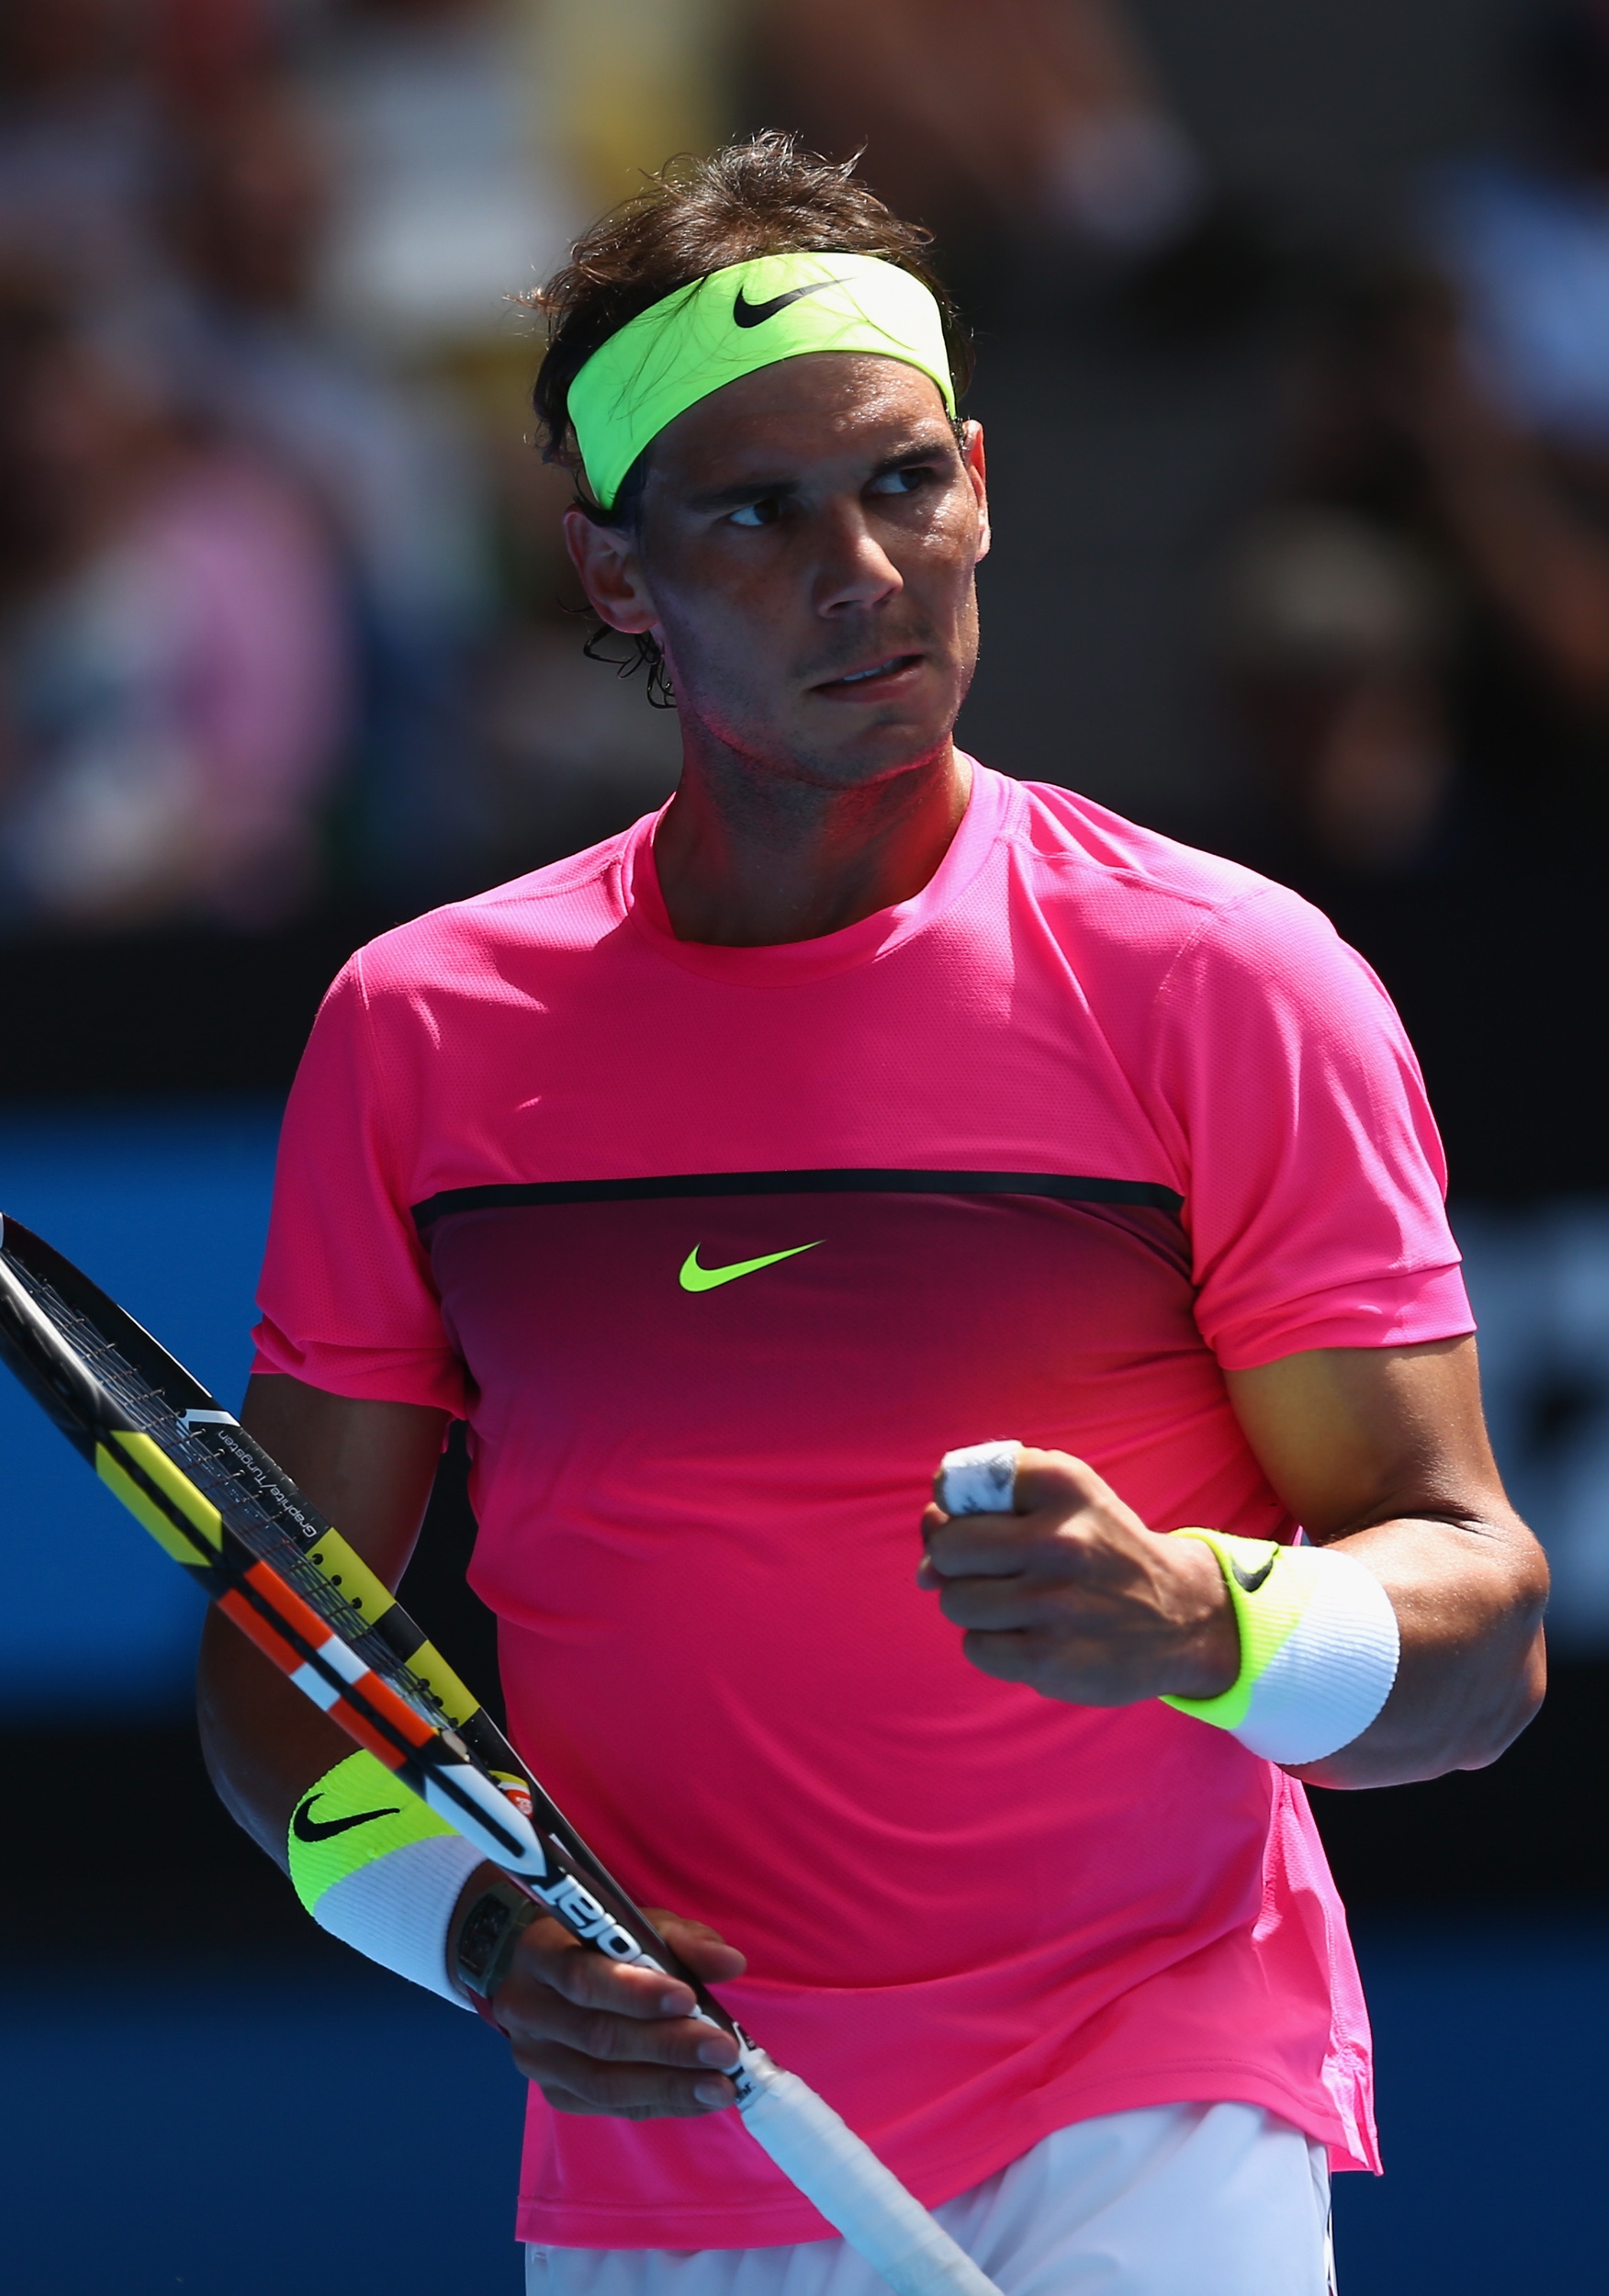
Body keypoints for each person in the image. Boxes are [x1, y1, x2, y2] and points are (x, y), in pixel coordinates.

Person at [198, 137, 1548, 2295]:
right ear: (613, 574)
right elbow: (286, 1661)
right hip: (665, 2155)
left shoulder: (1225, 979)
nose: (864, 567)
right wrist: (464, 1932)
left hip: (1149, 2107)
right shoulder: (423, 1030)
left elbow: (1476, 1634)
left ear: (983, 483)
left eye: (905, 482)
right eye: (754, 513)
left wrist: (1217, 1622)